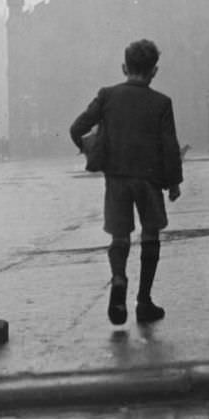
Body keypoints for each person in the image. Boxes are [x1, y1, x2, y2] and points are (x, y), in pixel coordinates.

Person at [70, 39, 183, 326]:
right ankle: (144, 301)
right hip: (149, 180)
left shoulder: (107, 96)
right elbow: (169, 147)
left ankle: (119, 278)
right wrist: (173, 183)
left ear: (124, 67)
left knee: (119, 237)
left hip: (117, 179)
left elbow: (76, 128)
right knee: (150, 235)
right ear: (154, 71)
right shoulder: (162, 103)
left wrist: (90, 149)